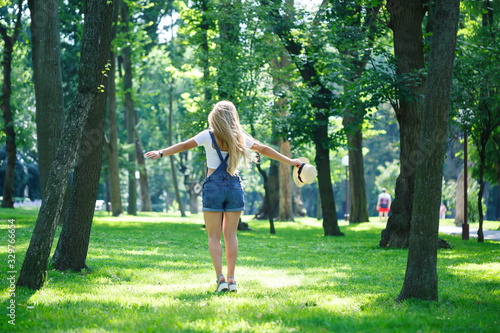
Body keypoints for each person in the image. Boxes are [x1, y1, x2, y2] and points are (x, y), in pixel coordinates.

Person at [145, 101, 303, 293]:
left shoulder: (207, 135)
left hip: (213, 187)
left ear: (215, 116)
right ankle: (232, 278)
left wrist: (161, 152)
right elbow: (264, 149)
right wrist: (290, 161)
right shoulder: (239, 138)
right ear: (233, 116)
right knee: (231, 235)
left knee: (213, 236)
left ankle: (220, 278)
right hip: (234, 186)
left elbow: (184, 145)